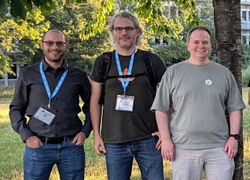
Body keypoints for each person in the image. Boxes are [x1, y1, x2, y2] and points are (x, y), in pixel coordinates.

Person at [151, 26, 246, 180]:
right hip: (183, 148)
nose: (200, 46)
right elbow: (161, 109)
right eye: (196, 42)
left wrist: (234, 137)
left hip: (219, 147)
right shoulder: (173, 73)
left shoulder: (224, 74)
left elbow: (235, 108)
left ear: (210, 45)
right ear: (188, 45)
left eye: (205, 42)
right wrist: (166, 139)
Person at [90, 11, 166, 180]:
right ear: (113, 32)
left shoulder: (152, 60)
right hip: (114, 140)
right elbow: (95, 101)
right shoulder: (103, 62)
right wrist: (96, 135)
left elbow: (167, 99)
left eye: (128, 28)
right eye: (119, 29)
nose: (124, 33)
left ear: (137, 31)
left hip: (150, 139)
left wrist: (165, 131)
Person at [9, 29, 92, 180]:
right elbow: (16, 109)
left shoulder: (78, 75)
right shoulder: (28, 74)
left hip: (71, 147)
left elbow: (92, 106)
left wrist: (85, 131)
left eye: (59, 43)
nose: (55, 47)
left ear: (65, 46)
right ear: (42, 45)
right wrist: (27, 136)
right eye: (50, 43)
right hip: (38, 147)